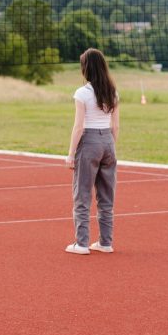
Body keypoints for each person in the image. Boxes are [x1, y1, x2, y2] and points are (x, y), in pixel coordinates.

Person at [63, 49, 120, 254]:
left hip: (89, 141)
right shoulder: (112, 91)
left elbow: (78, 126)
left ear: (86, 68)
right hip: (108, 142)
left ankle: (81, 243)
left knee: (82, 194)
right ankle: (105, 242)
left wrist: (71, 154)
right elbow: (116, 125)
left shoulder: (82, 93)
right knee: (106, 197)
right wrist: (110, 146)